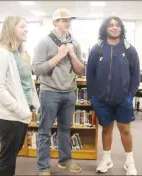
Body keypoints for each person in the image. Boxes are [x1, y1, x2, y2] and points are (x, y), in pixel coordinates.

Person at [32, 8, 84, 175]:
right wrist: (59, 56)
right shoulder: (44, 42)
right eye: (63, 20)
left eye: (69, 20)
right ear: (55, 22)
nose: (67, 22)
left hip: (69, 92)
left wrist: (72, 54)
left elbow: (80, 70)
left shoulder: (75, 42)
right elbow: (36, 69)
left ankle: (65, 161)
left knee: (65, 130)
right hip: (49, 93)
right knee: (44, 131)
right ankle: (43, 167)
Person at [86, 16, 140, 175]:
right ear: (106, 28)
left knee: (125, 129)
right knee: (106, 129)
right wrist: (92, 97)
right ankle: (106, 159)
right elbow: (90, 73)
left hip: (123, 99)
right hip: (102, 100)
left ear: (121, 28)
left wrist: (130, 95)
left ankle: (129, 162)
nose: (114, 28)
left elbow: (135, 75)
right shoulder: (97, 49)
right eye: (111, 25)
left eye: (117, 25)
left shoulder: (129, 49)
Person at [0, 16, 40, 176]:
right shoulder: (0, 53)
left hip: (21, 113)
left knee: (12, 154)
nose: (26, 30)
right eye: (22, 26)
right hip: (9, 115)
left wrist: (33, 105)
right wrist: (20, 109)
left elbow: (26, 84)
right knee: (7, 157)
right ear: (10, 28)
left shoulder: (19, 54)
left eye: (27, 27)